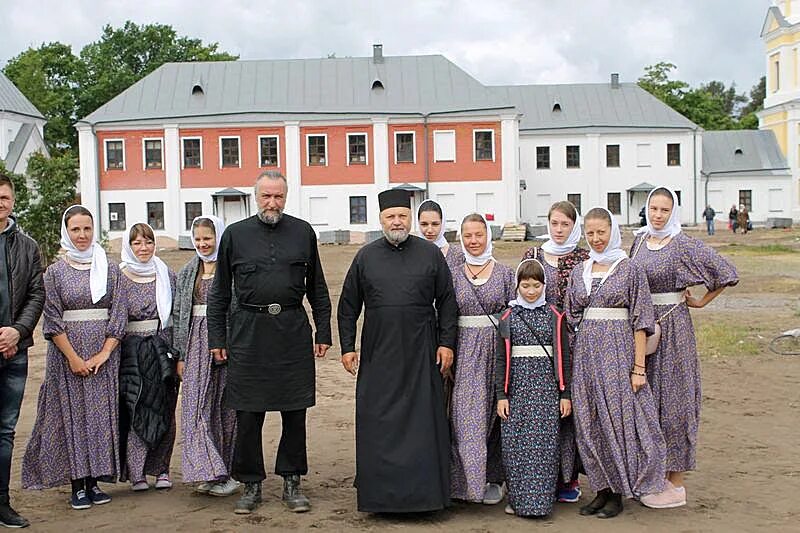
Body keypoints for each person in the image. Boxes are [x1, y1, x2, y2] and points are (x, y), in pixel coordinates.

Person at [207, 171, 331, 515]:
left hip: (292, 330)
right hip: (247, 332)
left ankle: (292, 480)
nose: (272, 203)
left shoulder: (303, 232)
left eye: (278, 197)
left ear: (286, 198)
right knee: (248, 412)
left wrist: (323, 332)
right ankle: (251, 484)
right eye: (266, 196)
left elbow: (317, 288)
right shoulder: (234, 235)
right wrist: (218, 336)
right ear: (255, 197)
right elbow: (219, 293)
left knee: (294, 411)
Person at [337, 188, 457, 513]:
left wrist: (446, 343)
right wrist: (348, 347)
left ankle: (424, 497)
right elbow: (348, 305)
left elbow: (447, 301)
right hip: (379, 353)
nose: (397, 221)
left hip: (422, 351)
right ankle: (381, 497)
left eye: (402, 216)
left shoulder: (430, 254)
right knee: (378, 420)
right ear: (381, 219)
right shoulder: (365, 256)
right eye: (391, 216)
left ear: (410, 218)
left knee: (423, 422)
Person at [631, 187, 738, 506]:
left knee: (676, 400)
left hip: (674, 329)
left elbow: (726, 272)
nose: (658, 215)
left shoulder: (682, 244)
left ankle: (674, 480)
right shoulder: (637, 242)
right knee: (647, 399)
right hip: (643, 328)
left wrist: (703, 301)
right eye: (653, 209)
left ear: (672, 212)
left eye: (664, 210)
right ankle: (650, 473)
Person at [564, 207, 670, 518]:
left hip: (618, 353)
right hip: (585, 356)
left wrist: (639, 367)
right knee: (589, 421)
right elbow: (572, 317)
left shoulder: (629, 269)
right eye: (591, 233)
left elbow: (641, 321)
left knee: (618, 421)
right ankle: (601, 490)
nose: (596, 239)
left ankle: (619, 492)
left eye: (602, 232)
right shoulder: (579, 271)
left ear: (613, 231)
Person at [22, 206, 124, 510]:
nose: (82, 235)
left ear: (95, 230)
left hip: (103, 356)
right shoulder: (54, 272)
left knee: (98, 418)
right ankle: (76, 484)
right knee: (71, 417)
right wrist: (74, 358)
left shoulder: (111, 269)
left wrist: (104, 353)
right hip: (67, 356)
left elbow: (118, 313)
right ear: (66, 231)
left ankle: (94, 480)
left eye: (87, 229)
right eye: (75, 229)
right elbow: (52, 319)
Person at [521, 200, 588, 503]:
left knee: (567, 410)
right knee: (540, 411)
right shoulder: (533, 255)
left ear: (575, 226)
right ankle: (540, 477)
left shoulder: (584, 258)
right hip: (537, 346)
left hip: (572, 343)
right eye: (555, 223)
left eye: (566, 224)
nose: (559, 230)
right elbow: (520, 295)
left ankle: (569, 479)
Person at [495, 259, 572, 518]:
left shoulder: (554, 315)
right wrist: (501, 396)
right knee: (515, 445)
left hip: (546, 390)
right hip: (517, 389)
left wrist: (565, 394)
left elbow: (564, 356)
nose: (530, 291)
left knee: (544, 446)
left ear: (544, 285)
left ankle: (541, 503)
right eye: (525, 285)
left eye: (536, 285)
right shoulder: (507, 316)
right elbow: (501, 359)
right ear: (517, 285)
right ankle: (518, 501)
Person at [449, 213, 515, 505]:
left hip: (497, 350)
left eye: (479, 235)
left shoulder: (504, 273)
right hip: (463, 350)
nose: (474, 241)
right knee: (466, 418)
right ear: (461, 239)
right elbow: (444, 315)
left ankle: (494, 478)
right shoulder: (452, 273)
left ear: (488, 236)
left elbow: (515, 316)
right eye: (468, 236)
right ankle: (465, 484)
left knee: (497, 416)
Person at [173, 216, 238, 497]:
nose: (202, 244)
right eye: (197, 239)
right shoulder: (189, 271)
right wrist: (180, 354)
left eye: (207, 238)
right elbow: (178, 314)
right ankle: (208, 469)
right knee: (195, 407)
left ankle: (226, 472)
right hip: (195, 344)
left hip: (225, 342)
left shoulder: (232, 268)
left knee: (226, 409)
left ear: (218, 237)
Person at [119, 223, 177, 492]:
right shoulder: (118, 278)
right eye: (137, 243)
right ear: (129, 247)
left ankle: (161, 469)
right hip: (131, 352)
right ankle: (137, 472)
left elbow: (176, 316)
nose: (143, 248)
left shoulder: (166, 274)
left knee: (165, 409)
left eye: (148, 242)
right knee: (136, 409)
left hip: (161, 347)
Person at [0, 172, 44, 529]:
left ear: (13, 202)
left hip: (13, 350)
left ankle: (2, 502)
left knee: (5, 430)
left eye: (5, 197)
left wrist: (18, 330)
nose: (0, 202)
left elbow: (36, 293)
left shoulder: (27, 246)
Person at [417, 199, 464, 272]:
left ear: (442, 223)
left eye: (435, 224)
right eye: (424, 224)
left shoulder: (457, 255)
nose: (430, 230)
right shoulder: (410, 253)